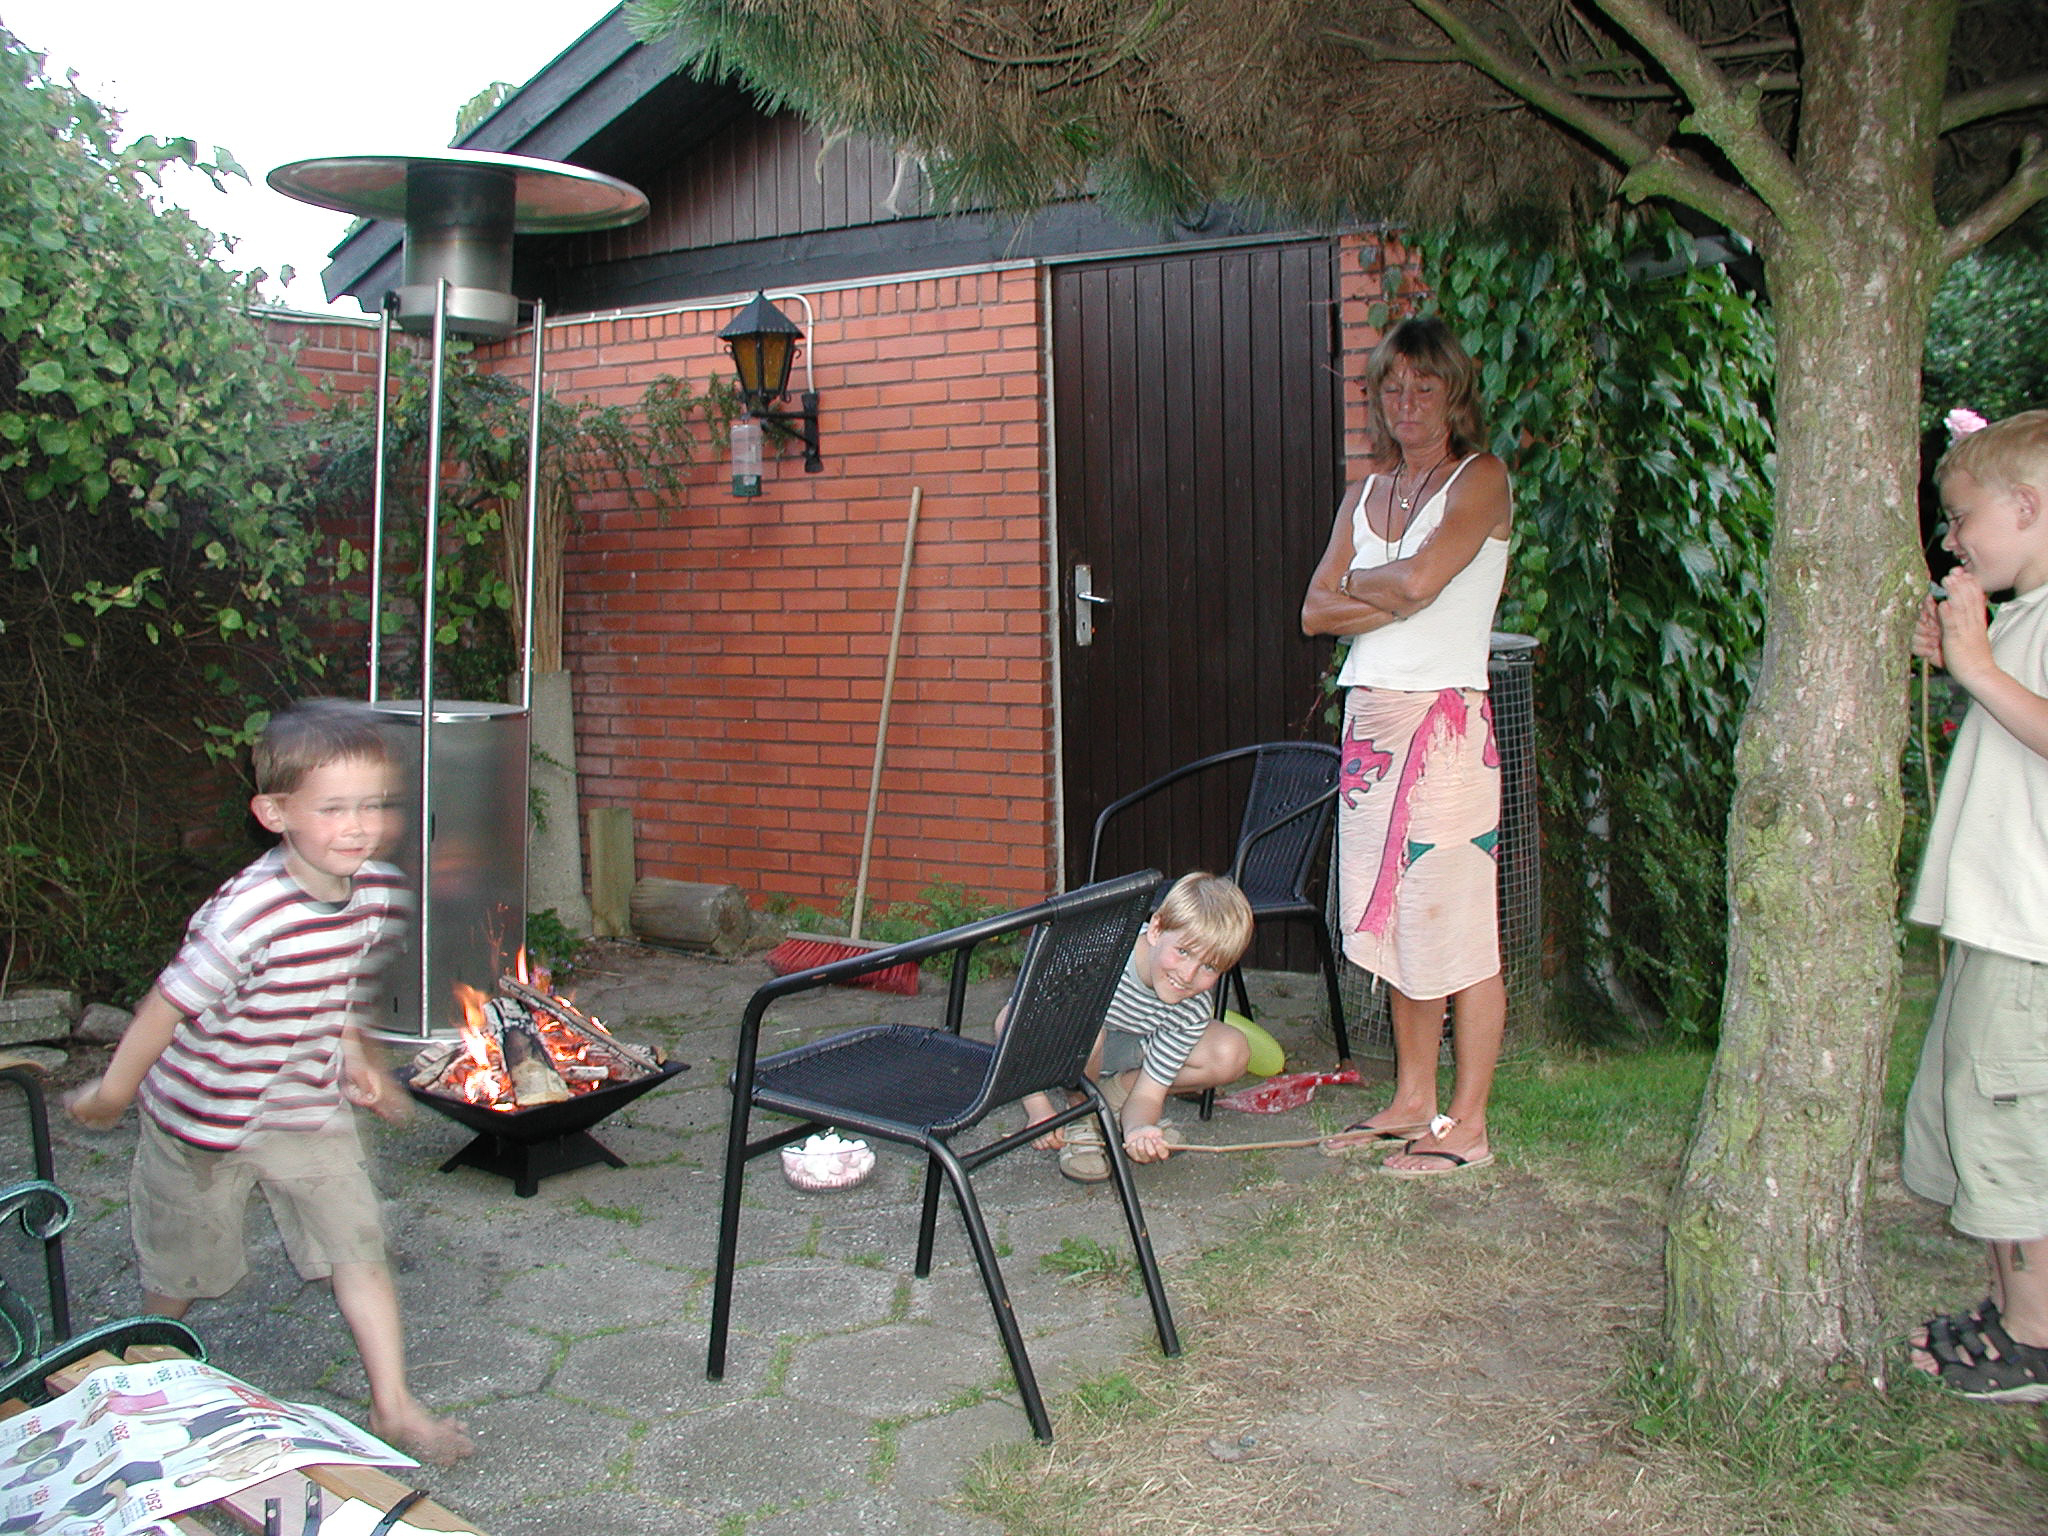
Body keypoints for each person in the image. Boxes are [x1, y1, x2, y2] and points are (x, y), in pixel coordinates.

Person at [63, 700, 475, 1464]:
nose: (358, 826)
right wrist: (112, 1092)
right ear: (274, 813)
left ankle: (392, 1405)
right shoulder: (249, 914)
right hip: (203, 1117)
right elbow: (166, 1006)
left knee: (357, 1244)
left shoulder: (376, 891)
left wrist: (357, 1060)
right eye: (334, 809)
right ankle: (142, 1375)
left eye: (374, 805)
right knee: (186, 1267)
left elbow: (334, 987)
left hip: (303, 1108)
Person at [1300, 316, 1512, 1178]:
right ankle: (1413, 1100)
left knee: (1457, 925)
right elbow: (1314, 612)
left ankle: (1469, 1125)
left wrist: (1363, 586)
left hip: (1444, 731)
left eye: (1425, 386)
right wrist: (1386, 592)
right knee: (1395, 918)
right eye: (1393, 387)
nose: (1407, 401)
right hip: (1371, 730)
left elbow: (1424, 580)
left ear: (1454, 394)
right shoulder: (1366, 494)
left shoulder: (1481, 478)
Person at [1903, 408, 2048, 1402]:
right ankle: (2007, 1310)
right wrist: (1958, 661)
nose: (1949, 541)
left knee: (2010, 1130)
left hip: (2029, 928)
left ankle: (2035, 1339)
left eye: (1961, 519)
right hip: (1995, 918)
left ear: (2026, 507)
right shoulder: (2022, 615)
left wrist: (1980, 668)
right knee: (1977, 1119)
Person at [1018, 872, 1255, 1183]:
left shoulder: (1192, 1007)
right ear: (1156, 929)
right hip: (1064, 1053)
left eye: (1209, 966)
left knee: (1230, 1051)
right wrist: (1038, 1109)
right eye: (1183, 951)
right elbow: (1011, 1023)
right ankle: (1080, 1113)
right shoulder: (1099, 955)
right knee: (1088, 1032)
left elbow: (1148, 1096)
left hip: (1126, 1054)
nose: (1187, 975)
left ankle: (1109, 1101)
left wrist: (1139, 1129)